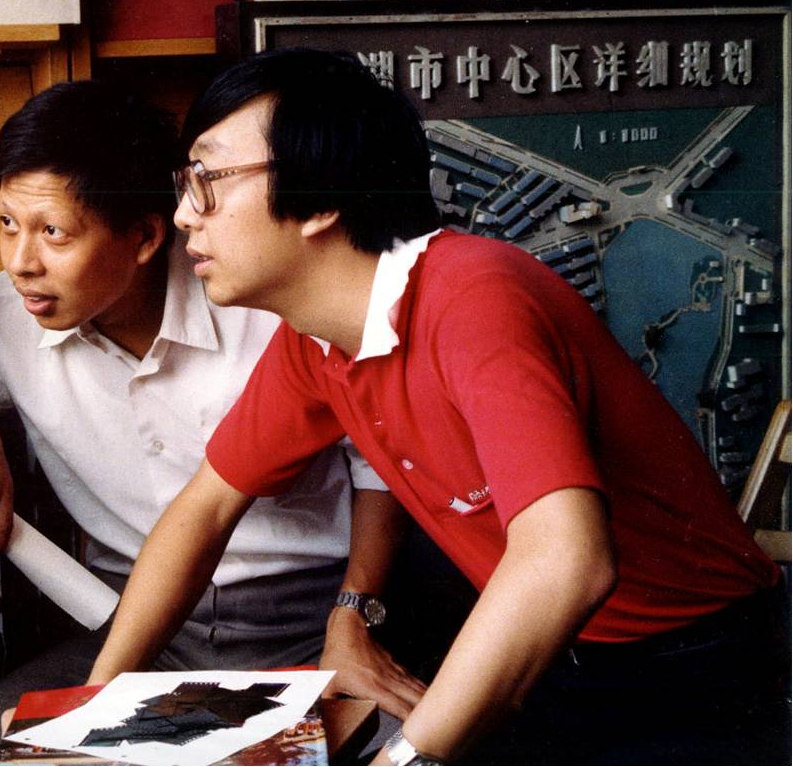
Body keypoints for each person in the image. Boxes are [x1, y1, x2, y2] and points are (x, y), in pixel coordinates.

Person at [87, 49, 789, 765]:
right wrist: (91, 713)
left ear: (321, 198)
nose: (184, 214)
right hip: (551, 660)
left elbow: (568, 561)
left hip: (702, 667)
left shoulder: (474, 294)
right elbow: (204, 509)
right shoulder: (315, 341)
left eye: (208, 180)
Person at [0, 80, 413, 765]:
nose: (20, 261)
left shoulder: (261, 296)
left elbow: (377, 463)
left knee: (404, 752)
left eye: (53, 233)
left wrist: (356, 615)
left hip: (313, 620)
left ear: (146, 235)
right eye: (8, 223)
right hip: (134, 630)